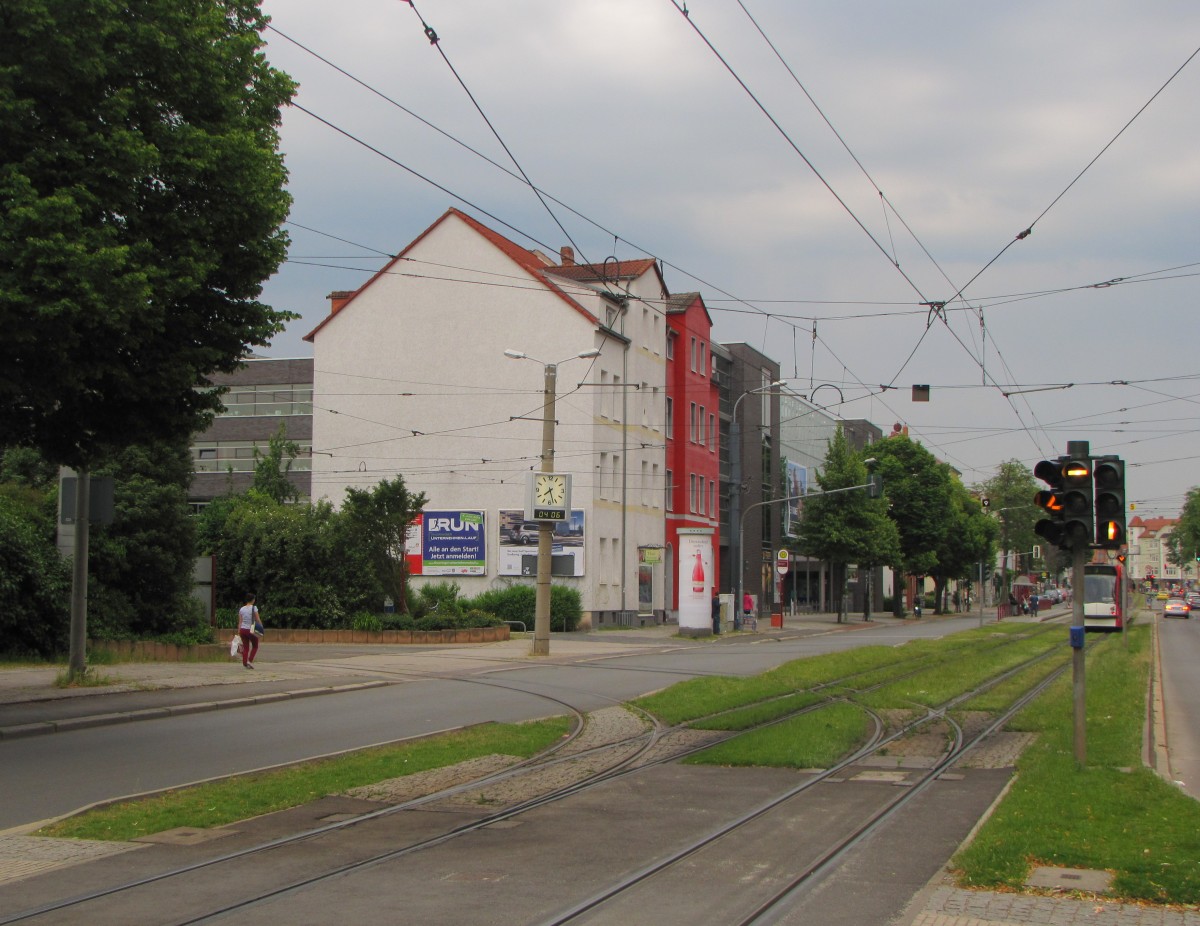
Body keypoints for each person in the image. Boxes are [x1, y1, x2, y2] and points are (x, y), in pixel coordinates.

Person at [238, 593, 261, 669]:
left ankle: (244, 663)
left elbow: (240, 621)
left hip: (243, 630)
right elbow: (257, 619)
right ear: (253, 600)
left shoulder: (242, 609)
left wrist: (239, 631)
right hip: (251, 629)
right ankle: (249, 661)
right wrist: (261, 626)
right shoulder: (254, 608)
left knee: (246, 647)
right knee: (255, 646)